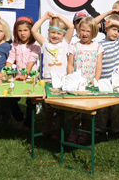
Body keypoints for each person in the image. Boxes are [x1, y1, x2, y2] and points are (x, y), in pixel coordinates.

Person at [31, 12, 74, 140]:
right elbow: (34, 30)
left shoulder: (65, 43)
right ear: (49, 32)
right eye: (53, 32)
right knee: (48, 108)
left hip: (61, 82)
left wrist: (58, 16)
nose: (55, 36)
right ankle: (48, 129)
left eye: (59, 33)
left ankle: (57, 131)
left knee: (59, 109)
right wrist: (45, 18)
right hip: (48, 81)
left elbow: (71, 26)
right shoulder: (45, 44)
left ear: (63, 35)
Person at [67, 17, 104, 145]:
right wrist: (70, 78)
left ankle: (83, 132)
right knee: (76, 110)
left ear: (93, 32)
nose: (85, 33)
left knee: (87, 110)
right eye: (82, 30)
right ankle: (74, 131)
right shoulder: (74, 46)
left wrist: (96, 80)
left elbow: (99, 65)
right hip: (77, 84)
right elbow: (70, 64)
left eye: (88, 31)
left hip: (90, 84)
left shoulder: (97, 47)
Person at [96, 14, 119, 137]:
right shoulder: (99, 44)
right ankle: (100, 129)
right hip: (104, 80)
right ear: (106, 29)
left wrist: (114, 23)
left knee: (116, 107)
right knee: (102, 107)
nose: (116, 33)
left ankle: (116, 130)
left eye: (118, 30)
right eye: (113, 29)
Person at [5, 17, 41, 130]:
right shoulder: (15, 44)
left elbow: (31, 61)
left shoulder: (36, 45)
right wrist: (5, 73)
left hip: (31, 78)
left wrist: (25, 75)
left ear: (31, 31)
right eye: (20, 30)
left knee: (31, 102)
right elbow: (10, 60)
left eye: (25, 30)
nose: (22, 33)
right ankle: (20, 118)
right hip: (18, 78)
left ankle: (29, 124)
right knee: (11, 99)